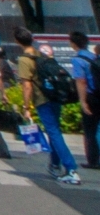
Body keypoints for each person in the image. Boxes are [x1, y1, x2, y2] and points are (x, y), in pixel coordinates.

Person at [17, 26, 81, 184]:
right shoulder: (41, 54)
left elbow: (27, 86)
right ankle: (54, 164)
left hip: (42, 100)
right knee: (55, 131)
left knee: (53, 133)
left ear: (18, 42)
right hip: (55, 97)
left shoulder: (24, 60)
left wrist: (26, 107)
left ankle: (71, 168)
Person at [70, 31, 100, 170]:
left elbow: (81, 82)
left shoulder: (78, 60)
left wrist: (83, 101)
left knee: (90, 130)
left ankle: (93, 160)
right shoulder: (94, 56)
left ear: (73, 44)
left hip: (91, 97)